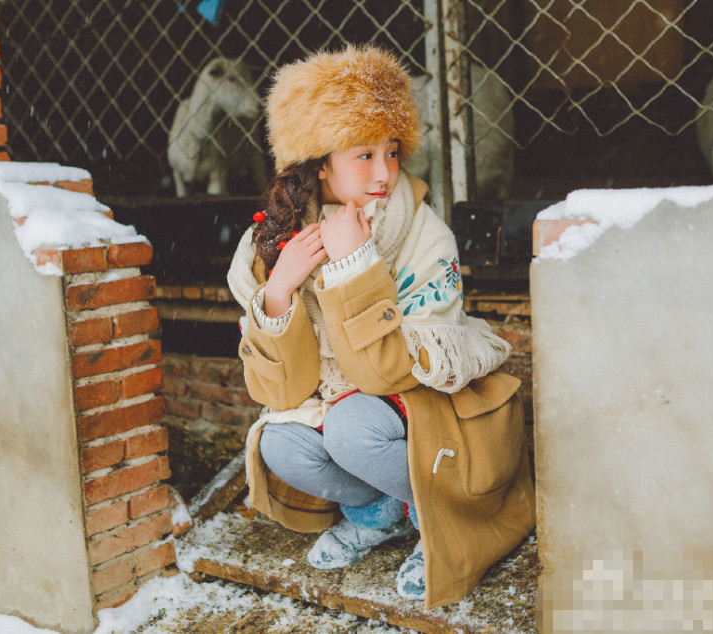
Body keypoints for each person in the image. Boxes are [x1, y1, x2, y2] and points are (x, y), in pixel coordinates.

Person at [227, 44, 535, 609]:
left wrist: (353, 268)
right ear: (319, 162)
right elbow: (282, 391)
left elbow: (387, 369)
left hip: (418, 397)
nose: (386, 172)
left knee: (351, 428)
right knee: (279, 445)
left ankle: (438, 519)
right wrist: (279, 290)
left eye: (392, 152)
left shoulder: (422, 229)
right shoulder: (266, 245)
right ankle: (379, 513)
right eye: (364, 154)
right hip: (337, 397)